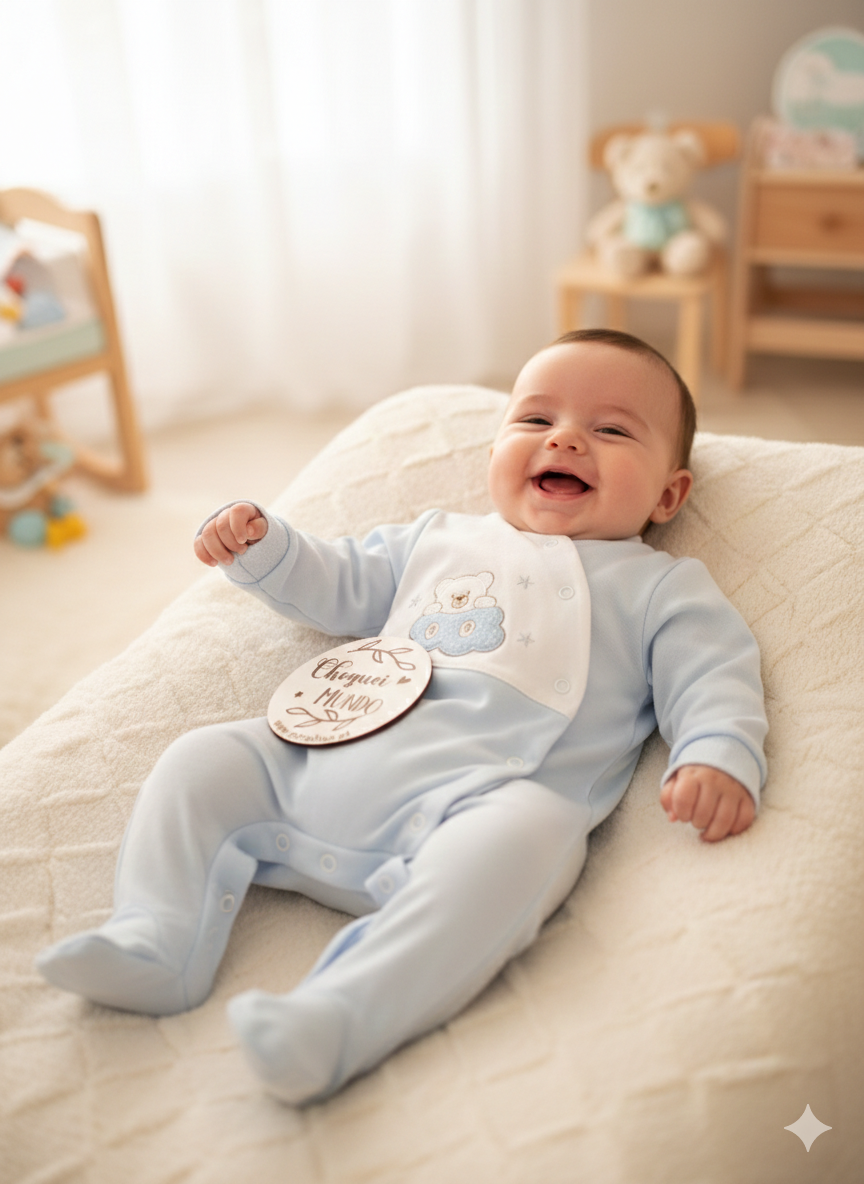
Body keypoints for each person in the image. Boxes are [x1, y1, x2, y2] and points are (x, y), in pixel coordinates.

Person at [37, 329, 767, 1105]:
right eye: (533, 420)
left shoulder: (661, 586)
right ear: (495, 451)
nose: (565, 438)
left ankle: (335, 1018)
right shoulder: (438, 540)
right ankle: (155, 936)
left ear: (668, 495)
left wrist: (717, 753)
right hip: (327, 754)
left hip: (486, 797)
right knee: (204, 759)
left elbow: (714, 672)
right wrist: (265, 544)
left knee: (530, 841)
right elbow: (339, 583)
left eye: (612, 430)